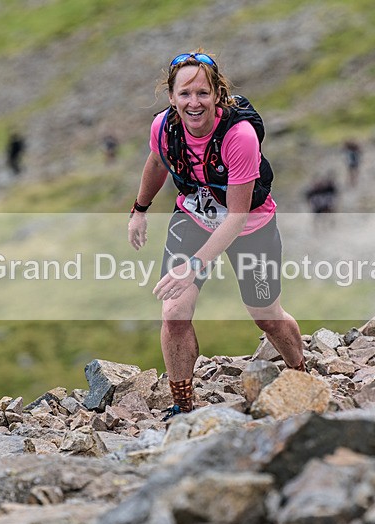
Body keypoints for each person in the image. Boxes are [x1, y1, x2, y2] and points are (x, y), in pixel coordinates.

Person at [127, 50, 307, 420]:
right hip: (193, 218)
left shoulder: (239, 137)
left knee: (266, 316)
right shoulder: (163, 127)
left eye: (203, 93)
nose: (194, 103)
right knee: (174, 313)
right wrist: (139, 210)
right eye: (185, 94)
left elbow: (237, 217)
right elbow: (158, 161)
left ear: (218, 94)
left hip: (250, 227)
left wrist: (193, 266)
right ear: (172, 97)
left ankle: (300, 375)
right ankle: (182, 406)